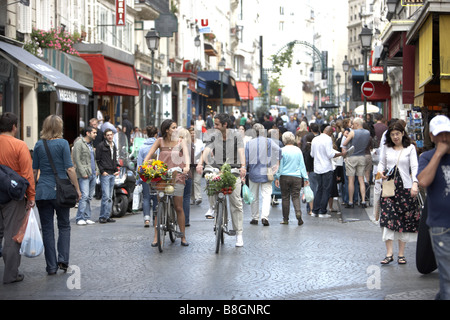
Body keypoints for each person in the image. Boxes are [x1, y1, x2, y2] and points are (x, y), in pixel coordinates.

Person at [32, 115, 81, 276]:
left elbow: (34, 171)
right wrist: (77, 189)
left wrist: (32, 191)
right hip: (61, 191)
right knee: (64, 225)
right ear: (60, 128)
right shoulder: (63, 143)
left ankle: (51, 266)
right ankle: (63, 260)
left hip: (43, 191)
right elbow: (70, 169)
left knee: (47, 229)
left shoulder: (39, 145)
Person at [196, 113, 246, 247]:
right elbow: (206, 150)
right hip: (217, 168)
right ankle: (212, 207)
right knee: (208, 174)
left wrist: (243, 166)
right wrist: (200, 163)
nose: (214, 126)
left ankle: (239, 234)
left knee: (236, 203)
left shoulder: (236, 136)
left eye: (217, 124)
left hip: (233, 169)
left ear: (225, 125)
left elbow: (241, 152)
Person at [377, 122, 420, 265]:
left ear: (403, 134)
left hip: (406, 188)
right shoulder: (387, 148)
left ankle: (401, 254)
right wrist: (379, 173)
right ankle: (389, 253)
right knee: (388, 218)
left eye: (397, 134)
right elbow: (381, 164)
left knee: (404, 220)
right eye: (392, 134)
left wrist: (415, 183)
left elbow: (414, 167)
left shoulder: (410, 148)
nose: (395, 137)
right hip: (389, 188)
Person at [0, 112, 36, 283]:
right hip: (13, 197)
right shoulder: (20, 145)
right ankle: (10, 274)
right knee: (12, 234)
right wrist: (31, 197)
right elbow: (28, 174)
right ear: (14, 127)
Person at [418, 115, 450, 299]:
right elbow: (423, 180)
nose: (444, 138)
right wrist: (438, 154)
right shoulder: (428, 157)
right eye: (440, 134)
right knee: (448, 279)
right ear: (432, 136)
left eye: (447, 133)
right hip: (441, 227)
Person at [144, 119, 190, 247]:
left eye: (176, 127)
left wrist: (186, 166)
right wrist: (145, 164)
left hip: (178, 175)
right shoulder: (159, 141)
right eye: (173, 128)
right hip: (162, 176)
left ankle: (183, 236)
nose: (176, 130)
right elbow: (149, 155)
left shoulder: (181, 142)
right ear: (166, 130)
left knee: (179, 207)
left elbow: (186, 156)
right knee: (159, 205)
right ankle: (156, 237)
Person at [245, 123, 281, 226]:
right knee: (266, 195)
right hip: (267, 171)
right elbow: (279, 150)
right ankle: (265, 217)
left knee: (254, 196)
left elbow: (246, 160)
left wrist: (243, 171)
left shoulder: (249, 143)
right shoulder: (268, 141)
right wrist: (277, 163)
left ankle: (254, 217)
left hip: (253, 172)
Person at [274, 131, 309, 225]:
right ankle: (298, 213)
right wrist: (305, 178)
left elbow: (279, 166)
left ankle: (285, 219)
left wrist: (277, 177)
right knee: (296, 196)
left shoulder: (282, 150)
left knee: (285, 197)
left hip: (284, 176)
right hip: (296, 177)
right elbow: (302, 165)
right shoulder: (298, 150)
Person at [310, 126, 342, 218]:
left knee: (319, 189)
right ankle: (322, 211)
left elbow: (312, 154)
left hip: (317, 167)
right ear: (330, 133)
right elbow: (330, 154)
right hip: (326, 167)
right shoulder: (328, 139)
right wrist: (340, 154)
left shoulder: (315, 139)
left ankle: (315, 210)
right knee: (326, 190)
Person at [72, 126, 99, 225]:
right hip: (85, 175)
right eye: (94, 132)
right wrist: (83, 173)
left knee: (89, 197)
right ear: (88, 133)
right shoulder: (79, 143)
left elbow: (93, 159)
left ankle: (87, 217)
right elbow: (77, 159)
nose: (95, 134)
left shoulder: (90, 145)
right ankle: (79, 217)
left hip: (92, 173)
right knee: (84, 196)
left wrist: (96, 170)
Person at [342, 118, 371, 208]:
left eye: (353, 124)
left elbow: (344, 143)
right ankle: (363, 200)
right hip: (362, 157)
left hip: (352, 157)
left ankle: (351, 201)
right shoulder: (367, 132)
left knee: (351, 180)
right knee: (361, 179)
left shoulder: (353, 132)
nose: (352, 126)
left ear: (357, 124)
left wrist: (347, 136)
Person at [137, 126, 159, 227]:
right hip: (156, 174)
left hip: (145, 174)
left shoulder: (142, 146)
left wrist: (138, 178)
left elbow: (139, 163)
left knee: (146, 197)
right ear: (156, 134)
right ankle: (155, 218)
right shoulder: (158, 146)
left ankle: (146, 219)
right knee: (155, 197)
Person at [96, 128, 119, 224]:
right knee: (106, 196)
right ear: (105, 136)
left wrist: (117, 169)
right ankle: (102, 216)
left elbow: (114, 158)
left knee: (110, 196)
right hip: (105, 173)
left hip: (112, 173)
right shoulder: (101, 146)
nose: (110, 136)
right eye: (108, 135)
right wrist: (102, 171)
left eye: (111, 134)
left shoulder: (113, 145)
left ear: (113, 135)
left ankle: (107, 215)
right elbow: (97, 159)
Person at [190, 127, 204, 206]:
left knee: (197, 181)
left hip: (198, 164)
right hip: (189, 164)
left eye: (194, 133)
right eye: (191, 133)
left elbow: (203, 152)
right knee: (191, 182)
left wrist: (200, 163)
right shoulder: (187, 142)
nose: (193, 135)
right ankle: (192, 198)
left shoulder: (199, 142)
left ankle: (198, 197)